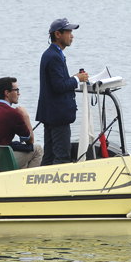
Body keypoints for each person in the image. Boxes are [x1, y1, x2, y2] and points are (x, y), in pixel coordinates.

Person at [37, 18, 89, 165]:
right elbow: (59, 86)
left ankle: (43, 186)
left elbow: (57, 82)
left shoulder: (52, 54)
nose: (72, 36)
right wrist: (77, 79)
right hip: (58, 115)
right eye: (69, 32)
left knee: (49, 156)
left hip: (51, 114)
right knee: (61, 157)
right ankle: (56, 187)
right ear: (58, 34)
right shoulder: (54, 56)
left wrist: (72, 78)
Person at [0, 77, 43, 168]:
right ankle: (29, 182)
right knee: (37, 150)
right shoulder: (12, 113)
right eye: (16, 90)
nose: (19, 93)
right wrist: (25, 116)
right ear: (7, 93)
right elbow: (30, 140)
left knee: (23, 160)